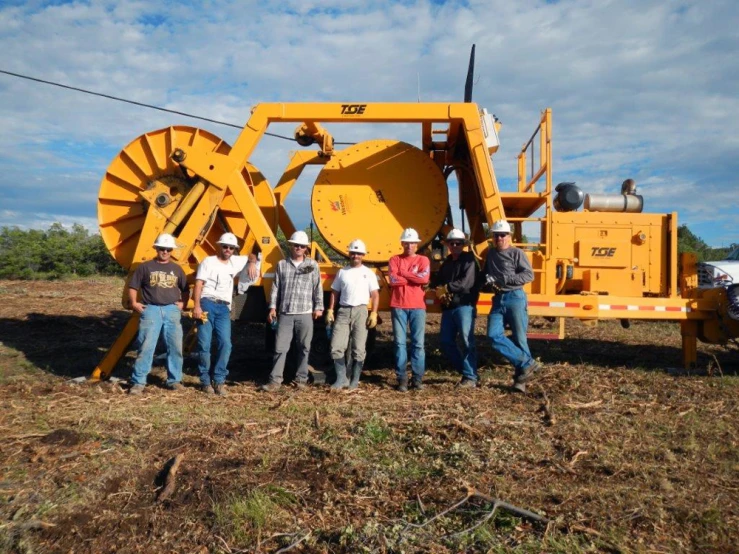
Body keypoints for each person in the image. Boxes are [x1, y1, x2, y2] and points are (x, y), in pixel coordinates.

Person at [261, 231, 324, 392]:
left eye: (301, 246)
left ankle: (301, 380)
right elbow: (276, 288)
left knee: (304, 347)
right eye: (296, 245)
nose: (298, 248)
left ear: (305, 249)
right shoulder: (282, 265)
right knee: (280, 348)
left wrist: (319, 307)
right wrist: (273, 307)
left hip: (305, 312)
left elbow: (318, 288)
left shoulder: (312, 265)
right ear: (291, 246)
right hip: (285, 313)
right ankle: (275, 381)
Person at [482, 220, 541, 393]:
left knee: (519, 339)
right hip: (498, 299)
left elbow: (529, 275)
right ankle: (528, 363)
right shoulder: (491, 254)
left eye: (502, 235)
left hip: (515, 297)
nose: (499, 238)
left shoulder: (517, 253)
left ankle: (520, 381)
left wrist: (506, 280)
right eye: (496, 235)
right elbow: (486, 273)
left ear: (509, 236)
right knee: (493, 335)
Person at [192, 232, 253, 396]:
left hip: (224, 308)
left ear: (234, 250)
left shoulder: (234, 262)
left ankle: (219, 380)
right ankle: (205, 381)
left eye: (231, 248)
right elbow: (199, 284)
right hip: (207, 304)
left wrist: (252, 263)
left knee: (225, 344)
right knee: (204, 345)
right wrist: (196, 306)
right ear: (219, 246)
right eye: (225, 246)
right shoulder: (208, 262)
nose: (228, 250)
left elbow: (252, 255)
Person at [127, 233, 189, 395]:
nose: (165, 252)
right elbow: (133, 286)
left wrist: (182, 304)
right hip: (151, 309)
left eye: (168, 249)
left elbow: (185, 288)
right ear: (156, 248)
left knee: (175, 346)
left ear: (171, 251)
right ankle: (138, 382)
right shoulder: (145, 267)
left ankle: (174, 380)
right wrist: (134, 303)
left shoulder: (176, 269)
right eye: (162, 248)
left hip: (171, 310)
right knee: (146, 346)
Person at [326, 239, 380, 391]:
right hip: (343, 311)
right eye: (353, 252)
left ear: (363, 255)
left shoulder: (368, 273)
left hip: (361, 311)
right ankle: (341, 379)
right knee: (336, 346)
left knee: (358, 348)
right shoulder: (342, 272)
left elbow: (375, 295)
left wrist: (374, 313)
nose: (355, 255)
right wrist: (330, 309)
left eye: (358, 253)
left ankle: (354, 380)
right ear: (349, 254)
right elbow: (335, 292)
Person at [432, 229, 480, 388]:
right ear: (448, 245)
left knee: (467, 341)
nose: (454, 245)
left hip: (464, 306)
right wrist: (431, 286)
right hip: (449, 308)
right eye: (451, 243)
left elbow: (466, 283)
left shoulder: (469, 261)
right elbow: (438, 280)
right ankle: (467, 372)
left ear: (463, 245)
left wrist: (446, 287)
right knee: (446, 342)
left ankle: (470, 377)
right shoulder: (447, 262)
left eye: (458, 243)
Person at [388, 228, 430, 392]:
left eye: (412, 242)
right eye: (406, 242)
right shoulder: (394, 259)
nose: (409, 245)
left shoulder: (423, 260)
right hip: (398, 306)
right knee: (399, 344)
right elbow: (393, 280)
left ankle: (417, 378)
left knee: (418, 344)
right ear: (402, 243)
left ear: (417, 244)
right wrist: (413, 277)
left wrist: (403, 274)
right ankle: (402, 378)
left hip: (418, 307)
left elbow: (424, 278)